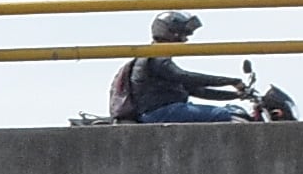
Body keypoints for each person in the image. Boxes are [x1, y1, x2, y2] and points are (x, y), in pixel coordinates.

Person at [112, 10, 262, 122]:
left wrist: (237, 95)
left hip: (163, 111)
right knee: (234, 116)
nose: (185, 40)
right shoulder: (156, 56)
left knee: (234, 111)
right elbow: (184, 76)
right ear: (170, 33)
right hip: (162, 112)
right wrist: (231, 81)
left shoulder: (156, 57)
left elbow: (198, 91)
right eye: (182, 35)